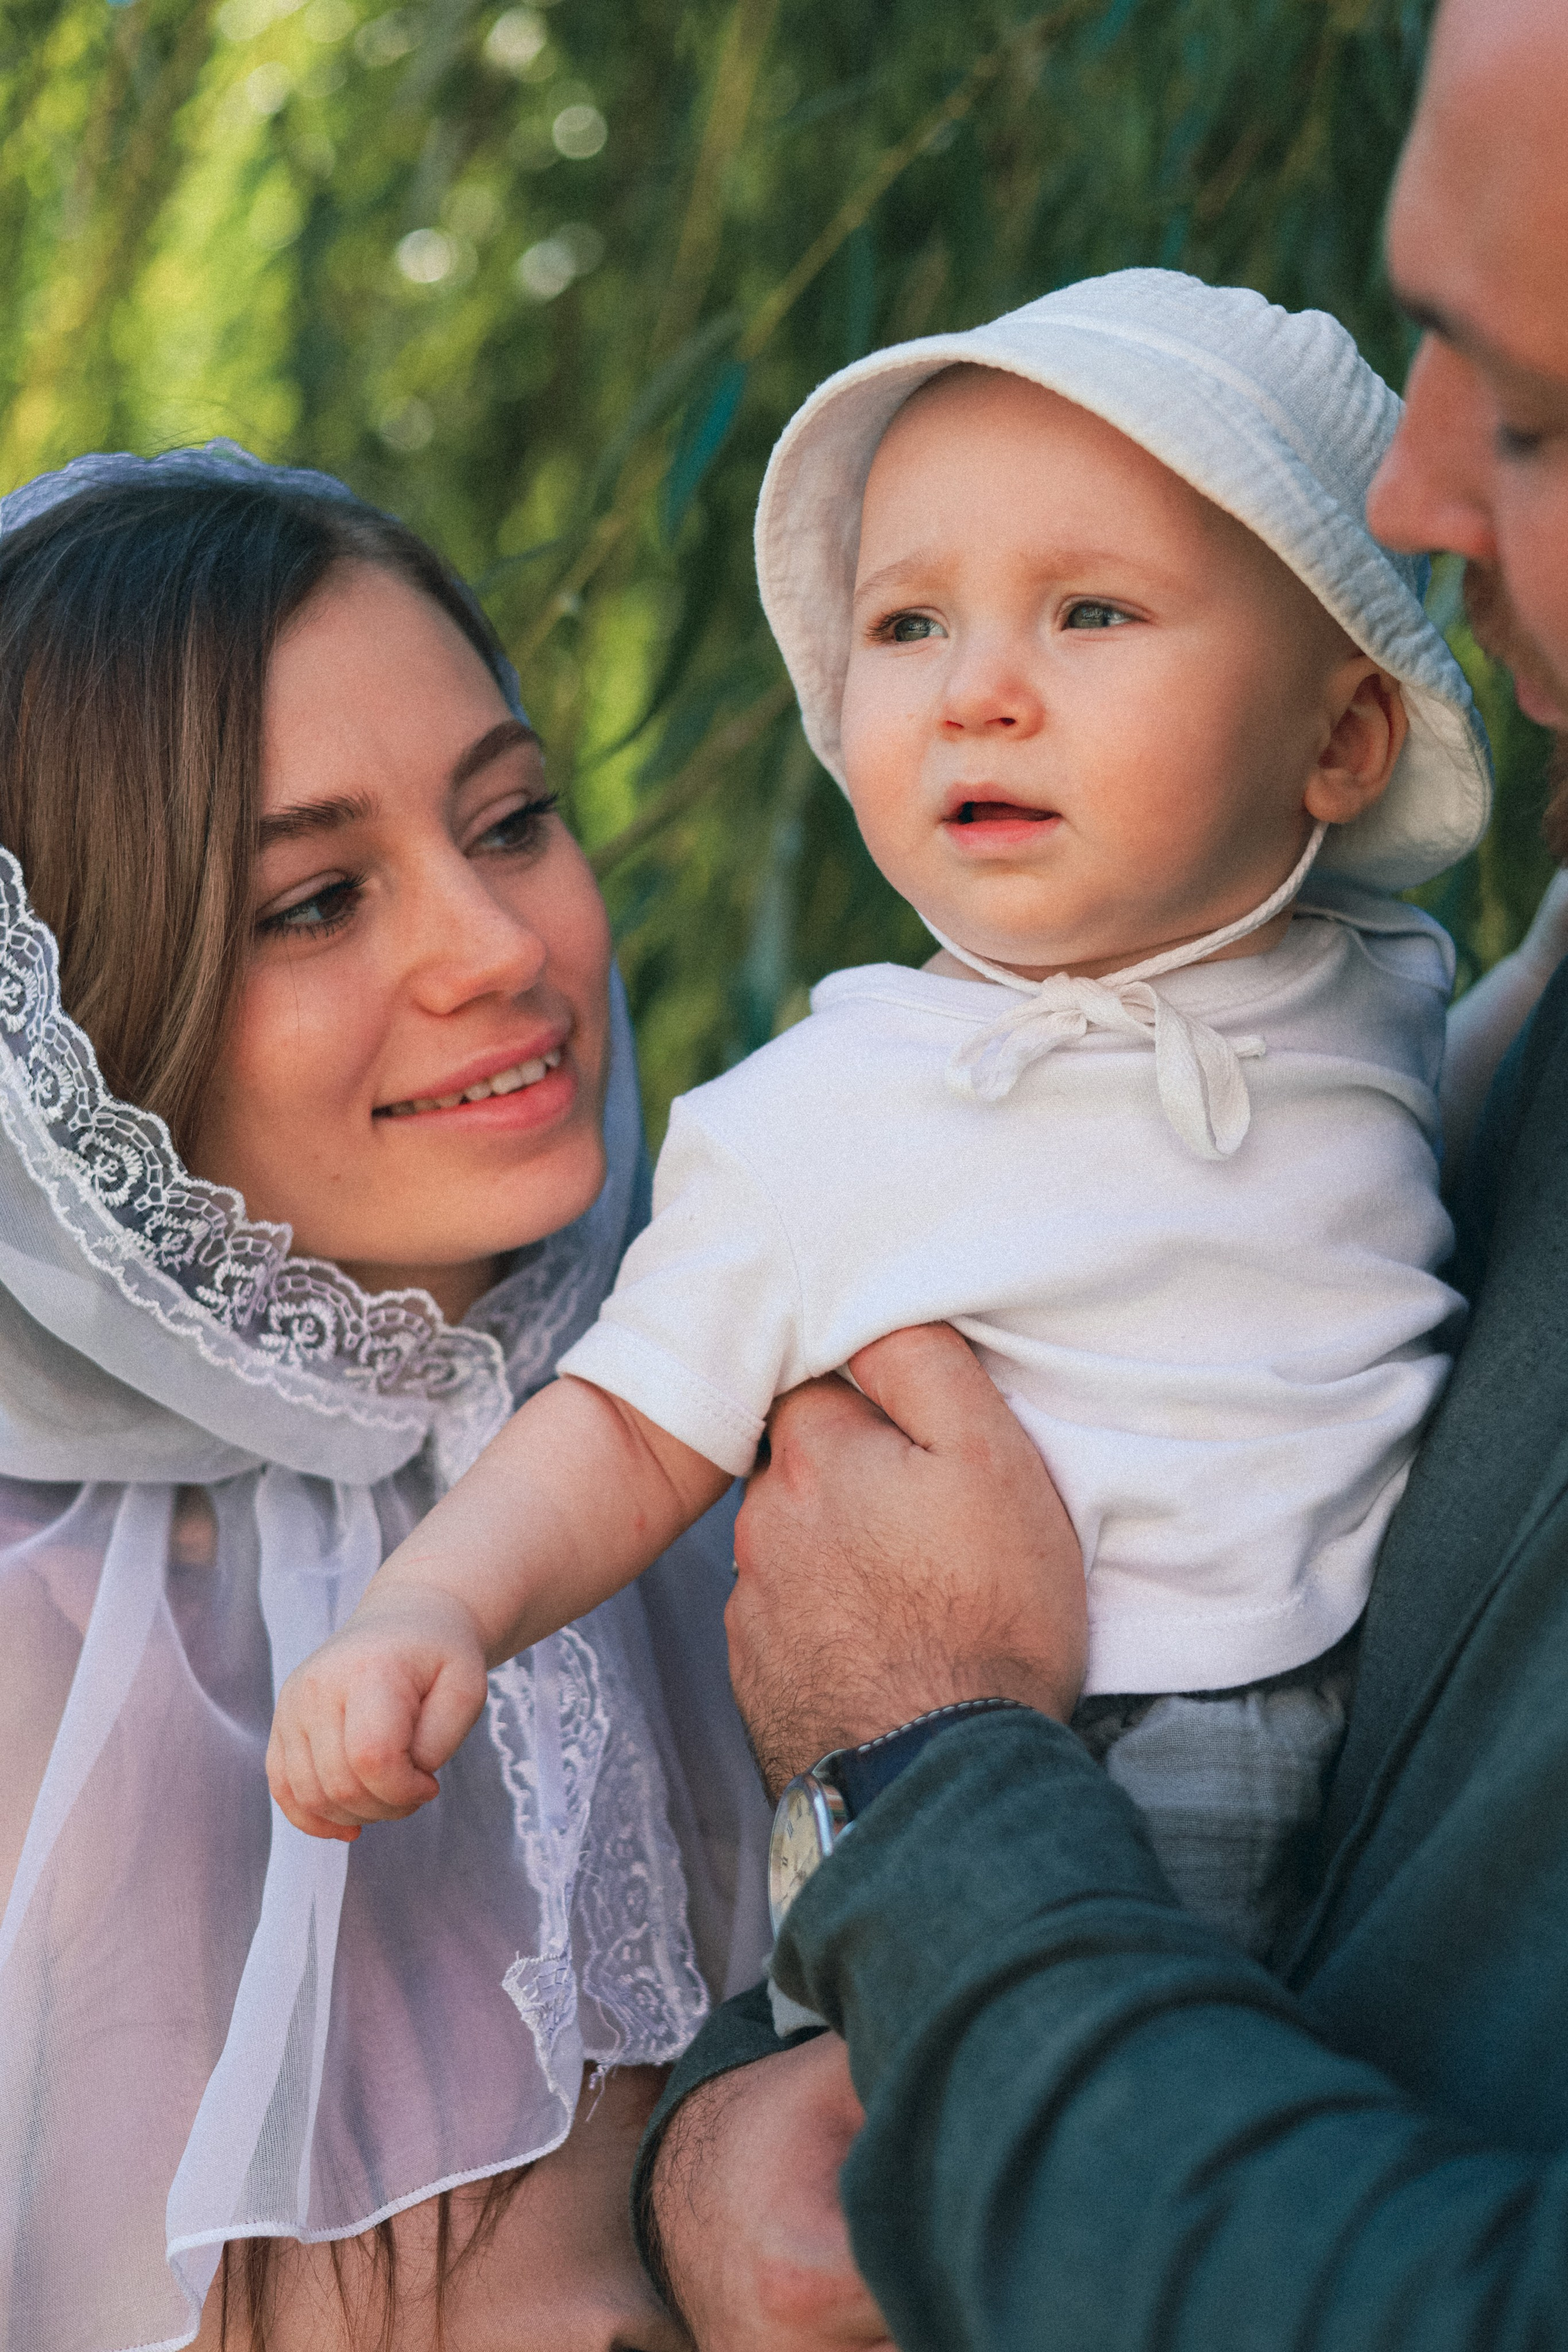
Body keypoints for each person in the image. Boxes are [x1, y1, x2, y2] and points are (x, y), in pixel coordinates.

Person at [635, 0, 1568, 2345]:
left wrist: (924, 1786)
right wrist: (735, 2156)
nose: (1422, 498)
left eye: (1547, 414)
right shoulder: (1428, 1022)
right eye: (913, 618)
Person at [271, 271, 1518, 1971]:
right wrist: (438, 1606)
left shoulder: (1372, 978)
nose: (978, 691)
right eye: (909, 623)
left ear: (1344, 737)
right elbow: (633, 1425)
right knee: (1074, 2185)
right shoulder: (826, 1114)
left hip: (1418, 1722)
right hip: (1070, 1753)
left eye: (1090, 614)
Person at [0, 442, 771, 2352]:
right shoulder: (34, 1640)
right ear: (78, 1031)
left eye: (511, 821)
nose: (501, 950)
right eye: (317, 903)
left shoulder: (770, 1397)